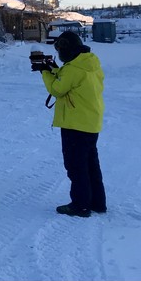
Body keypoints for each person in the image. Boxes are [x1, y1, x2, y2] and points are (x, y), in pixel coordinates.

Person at [36, 31, 106, 217]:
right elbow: (69, 77)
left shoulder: (73, 69)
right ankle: (97, 202)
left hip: (75, 125)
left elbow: (57, 89)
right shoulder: (89, 62)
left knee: (76, 167)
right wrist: (54, 69)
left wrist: (44, 72)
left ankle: (80, 205)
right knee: (91, 165)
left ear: (67, 49)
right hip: (90, 123)